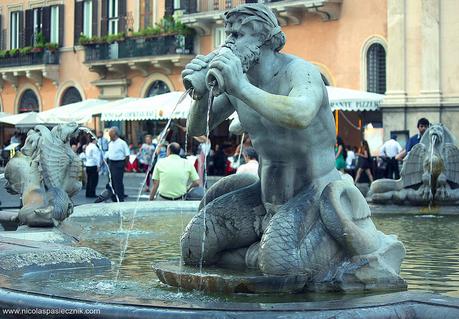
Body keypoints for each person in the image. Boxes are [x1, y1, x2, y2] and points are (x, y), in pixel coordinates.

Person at [184, 3, 340, 222]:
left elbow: (301, 114)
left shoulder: (299, 71)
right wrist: (201, 96)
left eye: (237, 35)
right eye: (227, 35)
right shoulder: (237, 80)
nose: (227, 44)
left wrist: (240, 87)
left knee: (275, 254)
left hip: (317, 193)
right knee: (200, 233)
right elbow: (197, 128)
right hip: (265, 197)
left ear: (264, 39)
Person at [106, 127, 130, 202]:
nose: (110, 136)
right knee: (111, 180)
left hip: (119, 163)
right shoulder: (110, 143)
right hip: (111, 162)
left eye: (111, 135)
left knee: (118, 181)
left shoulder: (122, 143)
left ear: (115, 134)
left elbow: (127, 155)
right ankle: (113, 196)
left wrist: (125, 164)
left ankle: (120, 197)